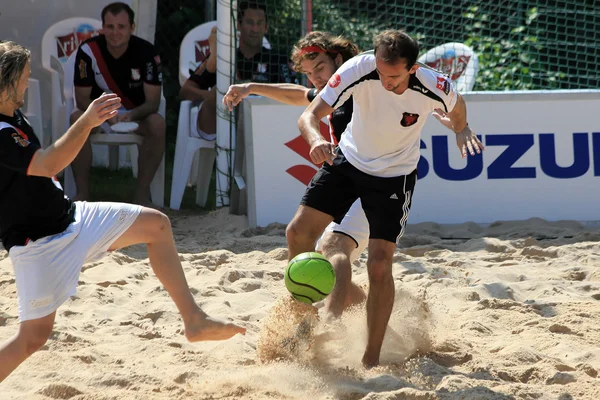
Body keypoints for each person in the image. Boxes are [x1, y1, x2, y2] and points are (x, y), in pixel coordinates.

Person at [0, 41, 245, 384]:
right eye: (25, 78)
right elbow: (49, 163)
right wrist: (87, 121)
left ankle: (194, 320)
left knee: (157, 225)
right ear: (7, 82)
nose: (28, 83)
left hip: (71, 217)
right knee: (32, 339)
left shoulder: (11, 111)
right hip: (38, 245)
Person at [289, 30, 485, 368]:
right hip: (348, 161)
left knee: (379, 264)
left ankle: (371, 360)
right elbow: (308, 115)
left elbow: (458, 107)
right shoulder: (358, 69)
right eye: (380, 73)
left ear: (412, 68)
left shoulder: (434, 84)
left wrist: (461, 129)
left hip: (394, 176)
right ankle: (303, 320)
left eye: (393, 76)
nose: (384, 81)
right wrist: (314, 139)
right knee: (297, 232)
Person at [222, 31, 368, 318]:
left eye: (321, 68)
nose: (315, 78)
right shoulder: (329, 91)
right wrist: (251, 87)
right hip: (342, 174)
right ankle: (304, 314)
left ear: (338, 59)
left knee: (331, 248)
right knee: (297, 234)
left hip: (374, 178)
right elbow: (299, 95)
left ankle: (328, 323)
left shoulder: (363, 83)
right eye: (309, 73)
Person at [70, 2, 165, 206]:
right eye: (110, 27)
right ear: (102, 28)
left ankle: (141, 195)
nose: (115, 33)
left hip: (136, 115)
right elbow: (81, 99)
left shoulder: (147, 52)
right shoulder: (88, 51)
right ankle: (83, 195)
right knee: (76, 118)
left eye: (121, 27)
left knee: (157, 123)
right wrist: (104, 113)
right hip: (98, 114)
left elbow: (153, 103)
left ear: (132, 27)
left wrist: (130, 115)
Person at [179, 0, 297, 140]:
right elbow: (185, 91)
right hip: (219, 127)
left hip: (266, 128)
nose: (255, 29)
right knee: (219, 90)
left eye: (259, 23)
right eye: (249, 22)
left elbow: (293, 95)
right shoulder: (221, 58)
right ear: (239, 25)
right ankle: (224, 150)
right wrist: (210, 97)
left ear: (266, 27)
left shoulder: (279, 59)